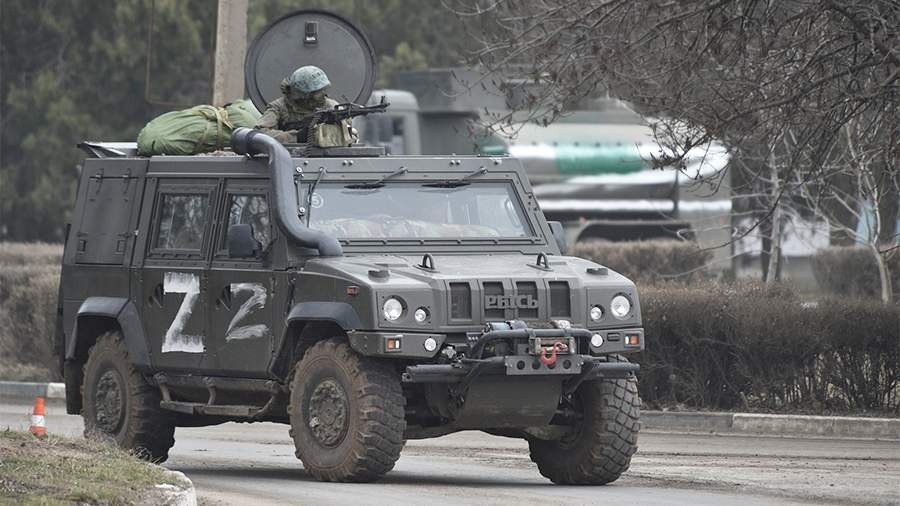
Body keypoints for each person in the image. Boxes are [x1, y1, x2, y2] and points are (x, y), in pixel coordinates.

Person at [254, 65, 353, 145]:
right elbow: (259, 133)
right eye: (318, 92)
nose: (324, 94)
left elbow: (349, 131)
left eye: (324, 89)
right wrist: (296, 137)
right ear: (303, 95)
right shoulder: (279, 107)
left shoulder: (331, 106)